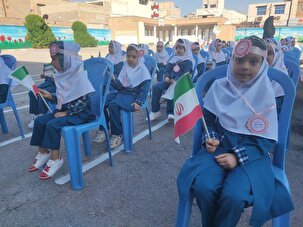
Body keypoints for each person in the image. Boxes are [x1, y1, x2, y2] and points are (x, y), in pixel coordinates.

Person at [177, 36, 293, 227]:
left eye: (253, 61)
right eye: (240, 60)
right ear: (232, 60)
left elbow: (265, 140)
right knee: (205, 187)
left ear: (263, 64)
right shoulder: (219, 87)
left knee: (235, 195)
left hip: (251, 154)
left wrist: (237, 157)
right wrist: (211, 137)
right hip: (218, 148)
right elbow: (208, 118)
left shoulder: (266, 95)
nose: (245, 66)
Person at [28, 41, 95, 180]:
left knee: (53, 125)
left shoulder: (79, 75)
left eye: (54, 59)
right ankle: (43, 152)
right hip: (66, 110)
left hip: (81, 114)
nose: (51, 63)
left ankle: (55, 158)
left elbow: (84, 100)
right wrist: (50, 96)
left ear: (66, 60)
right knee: (40, 121)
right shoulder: (63, 75)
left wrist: (67, 112)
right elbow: (63, 97)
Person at [107, 44, 151, 149]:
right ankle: (105, 129)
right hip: (124, 93)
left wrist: (139, 102)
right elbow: (121, 87)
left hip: (134, 96)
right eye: (128, 56)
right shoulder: (126, 67)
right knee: (103, 102)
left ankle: (117, 134)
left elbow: (144, 89)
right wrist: (113, 80)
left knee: (113, 105)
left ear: (139, 58)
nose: (130, 59)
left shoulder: (142, 70)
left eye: (134, 57)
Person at [149, 38, 194, 121]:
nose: (178, 50)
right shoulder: (173, 59)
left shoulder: (188, 61)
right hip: (169, 80)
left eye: (181, 48)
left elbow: (185, 74)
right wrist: (166, 77)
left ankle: (171, 112)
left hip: (181, 82)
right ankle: (155, 111)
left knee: (172, 88)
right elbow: (167, 70)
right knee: (156, 87)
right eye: (177, 48)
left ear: (186, 48)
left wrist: (174, 80)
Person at [94, 40, 124, 143]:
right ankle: (104, 128)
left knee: (110, 105)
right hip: (106, 90)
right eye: (109, 46)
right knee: (97, 102)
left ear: (116, 49)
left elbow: (120, 81)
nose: (109, 48)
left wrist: (110, 77)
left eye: (111, 47)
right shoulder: (107, 59)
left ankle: (117, 133)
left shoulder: (120, 63)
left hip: (116, 91)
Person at [27, 63, 56, 128]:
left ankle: (42, 116)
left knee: (41, 94)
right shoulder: (57, 58)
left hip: (60, 84)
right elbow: (53, 74)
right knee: (32, 91)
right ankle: (36, 115)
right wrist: (46, 77)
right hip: (51, 81)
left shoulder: (70, 61)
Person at [266, 38, 289, 116]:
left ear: (277, 55)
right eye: (262, 53)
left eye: (269, 53)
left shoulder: (282, 76)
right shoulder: (257, 71)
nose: (264, 56)